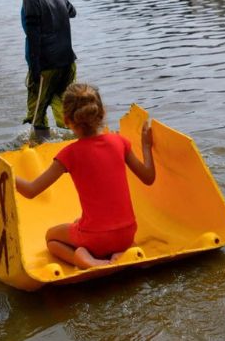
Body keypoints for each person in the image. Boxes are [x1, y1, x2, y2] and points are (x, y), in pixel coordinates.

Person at [13, 83, 156, 268]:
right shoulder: (120, 142)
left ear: (66, 119)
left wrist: (1, 170)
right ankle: (118, 253)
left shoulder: (69, 154)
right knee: (78, 222)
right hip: (127, 235)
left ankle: (85, 260)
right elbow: (148, 177)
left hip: (95, 239)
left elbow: (31, 190)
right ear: (102, 113)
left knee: (51, 238)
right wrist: (146, 146)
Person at [12, 0, 77, 141]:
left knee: (37, 111)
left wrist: (35, 70)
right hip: (67, 61)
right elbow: (72, 11)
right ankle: (75, 143)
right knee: (64, 106)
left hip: (45, 64)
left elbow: (34, 35)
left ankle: (41, 148)